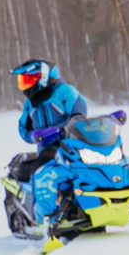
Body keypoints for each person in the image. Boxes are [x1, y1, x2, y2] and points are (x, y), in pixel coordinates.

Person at [8, 60, 89, 228]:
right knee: (40, 173)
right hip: (49, 150)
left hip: (73, 145)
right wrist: (34, 136)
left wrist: (64, 129)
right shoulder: (30, 104)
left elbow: (80, 114)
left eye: (28, 80)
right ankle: (45, 219)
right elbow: (23, 128)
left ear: (43, 77)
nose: (24, 85)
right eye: (23, 81)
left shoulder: (66, 92)